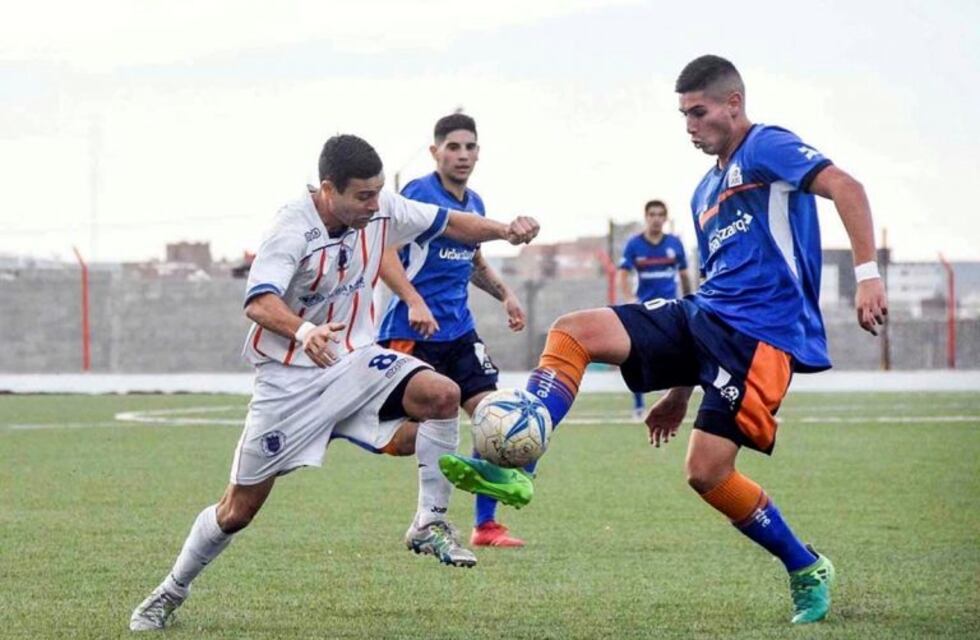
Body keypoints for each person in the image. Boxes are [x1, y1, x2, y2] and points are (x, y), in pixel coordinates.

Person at [442, 55, 888, 624]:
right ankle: (519, 466)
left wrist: (868, 274)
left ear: (733, 102)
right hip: (704, 314)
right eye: (683, 115)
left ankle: (805, 566)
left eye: (699, 112)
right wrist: (680, 391)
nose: (690, 126)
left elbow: (847, 186)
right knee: (573, 331)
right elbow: (716, 282)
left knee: (707, 473)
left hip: (760, 337)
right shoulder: (703, 192)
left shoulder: (766, 147)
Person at [129, 134, 539, 631]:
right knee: (237, 510)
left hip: (355, 361)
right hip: (289, 386)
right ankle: (170, 591)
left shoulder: (381, 207)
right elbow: (258, 301)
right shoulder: (291, 228)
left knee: (442, 395)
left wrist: (505, 230)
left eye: (377, 193)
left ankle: (428, 521)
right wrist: (303, 331)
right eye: (362, 196)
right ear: (329, 190)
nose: (374, 205)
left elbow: (451, 223)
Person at [377, 113, 530, 548]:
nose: (463, 155)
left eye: (470, 147)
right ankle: (356, 427)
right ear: (435, 152)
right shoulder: (417, 194)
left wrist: (505, 294)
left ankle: (486, 526)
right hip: (412, 334)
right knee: (403, 440)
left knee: (493, 420)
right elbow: (384, 252)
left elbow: (474, 261)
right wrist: (413, 300)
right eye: (453, 147)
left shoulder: (475, 203)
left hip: (460, 334)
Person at [618, 199, 692, 419]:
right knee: (636, 354)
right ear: (646, 217)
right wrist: (630, 298)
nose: (656, 219)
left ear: (665, 218)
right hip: (644, 309)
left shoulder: (674, 244)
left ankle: (675, 401)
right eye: (652, 214)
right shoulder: (634, 245)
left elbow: (684, 274)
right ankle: (639, 406)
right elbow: (623, 273)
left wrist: (689, 299)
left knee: (683, 352)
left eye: (660, 215)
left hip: (671, 309)